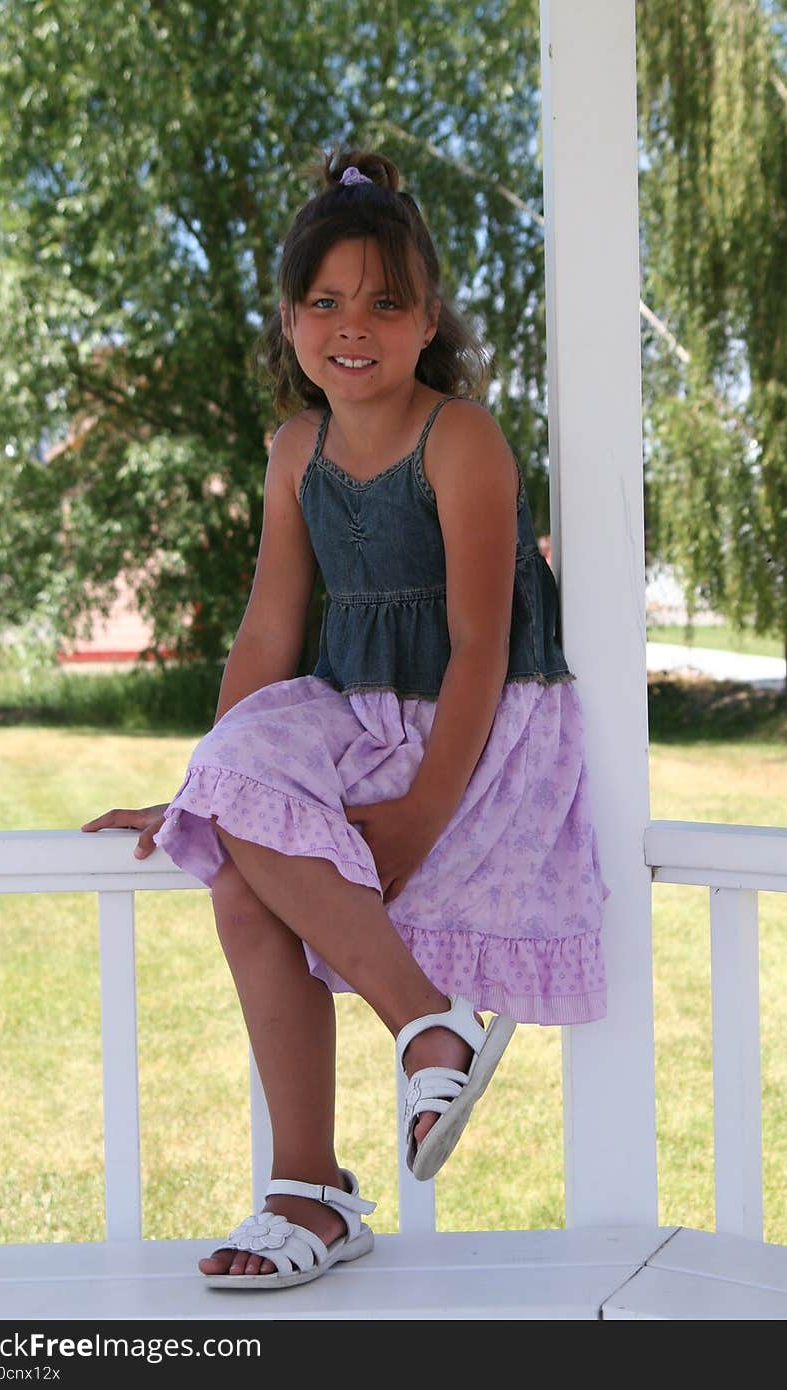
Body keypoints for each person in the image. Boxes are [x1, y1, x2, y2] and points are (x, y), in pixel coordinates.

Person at [82, 147, 608, 1291]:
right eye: (323, 302)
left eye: (383, 300)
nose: (350, 324)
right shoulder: (293, 452)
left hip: (470, 727)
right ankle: (335, 1153)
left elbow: (481, 644)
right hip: (347, 713)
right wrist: (203, 783)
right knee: (232, 856)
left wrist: (423, 810)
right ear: (289, 320)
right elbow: (271, 637)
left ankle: (332, 1156)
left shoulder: (459, 437)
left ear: (427, 321)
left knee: (240, 876)